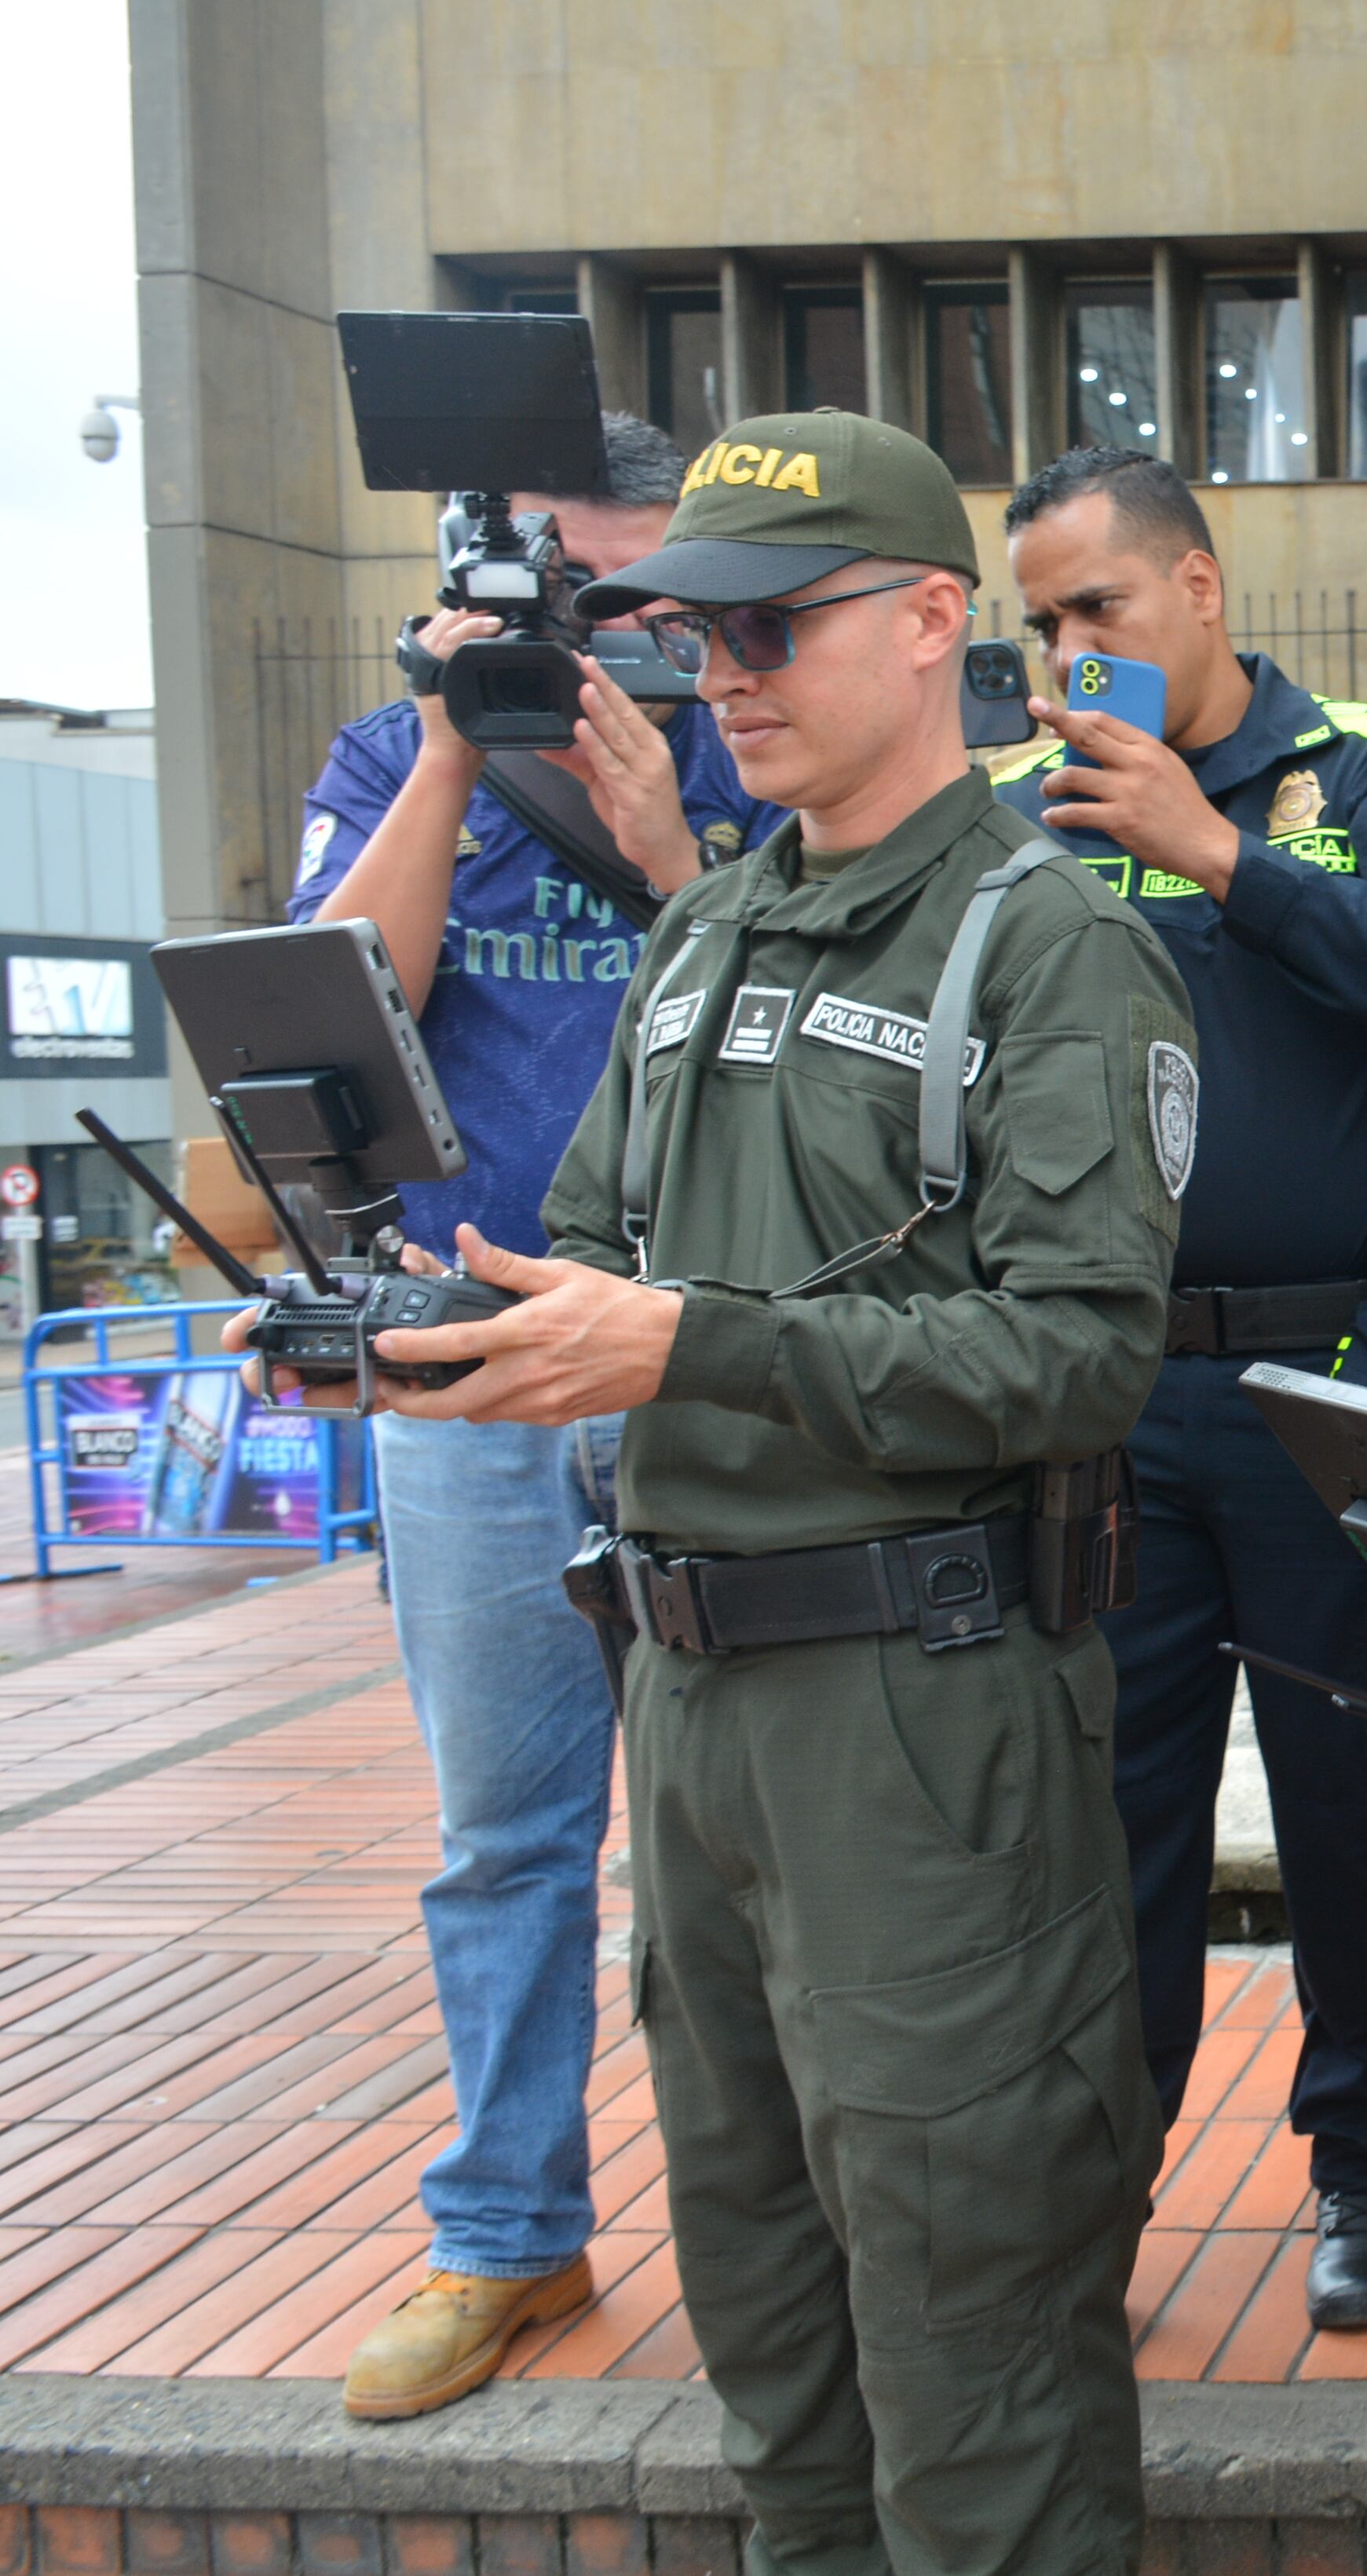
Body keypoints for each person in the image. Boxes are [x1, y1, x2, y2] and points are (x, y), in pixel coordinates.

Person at [329, 407, 1198, 2572]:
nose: (719, 673)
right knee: (773, 2334)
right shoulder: (705, 934)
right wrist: (483, 1328)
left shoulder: (1047, 943)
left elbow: (1084, 1353)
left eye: (769, 626)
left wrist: (684, 1343)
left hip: (927, 1710)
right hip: (697, 1709)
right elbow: (615, 1245)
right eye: (691, 628)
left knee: (970, 2324)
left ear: (927, 624)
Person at [287, 409, 789, 2422]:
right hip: (472, 1383)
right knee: (506, 1840)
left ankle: (780, 2227)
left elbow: (777, 1043)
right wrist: (441, 740)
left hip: (698, 1361)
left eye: (649, 595)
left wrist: (673, 833)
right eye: (569, 592)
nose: (612, 632)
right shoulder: (393, 765)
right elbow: (345, 997)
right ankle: (508, 2232)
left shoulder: (755, 757)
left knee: (744, 1834)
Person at [989, 445, 1367, 2332]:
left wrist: (1219, 856)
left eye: (1096, 611)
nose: (1066, 654)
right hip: (1115, 1391)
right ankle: (1101, 2189)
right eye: (1039, 623)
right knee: (1105, 1815)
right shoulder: (1029, 819)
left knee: (1360, 1795)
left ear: (1199, 589)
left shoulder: (1365, 777)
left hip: (1345, 1382)